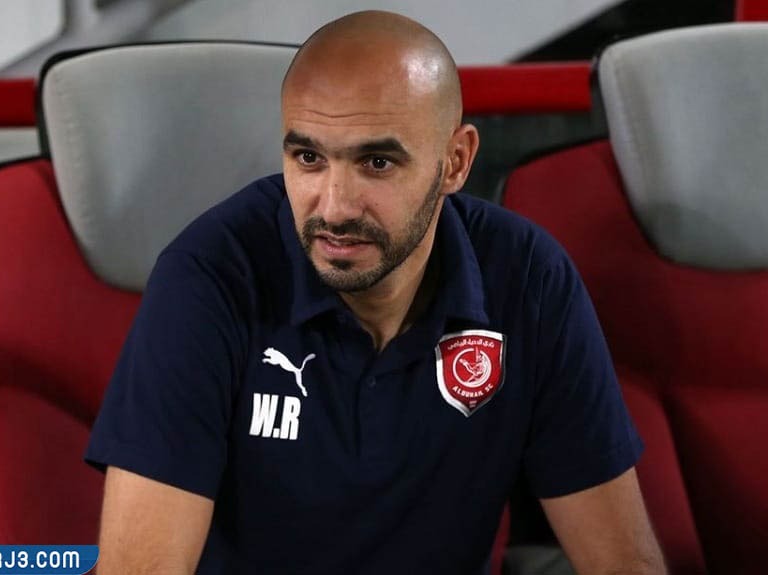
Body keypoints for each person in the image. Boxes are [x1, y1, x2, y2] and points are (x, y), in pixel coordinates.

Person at [86, 10, 667, 575]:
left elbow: (623, 562)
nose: (335, 207)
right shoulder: (208, 277)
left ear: (455, 162)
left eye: (377, 162)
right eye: (309, 158)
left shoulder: (529, 279)